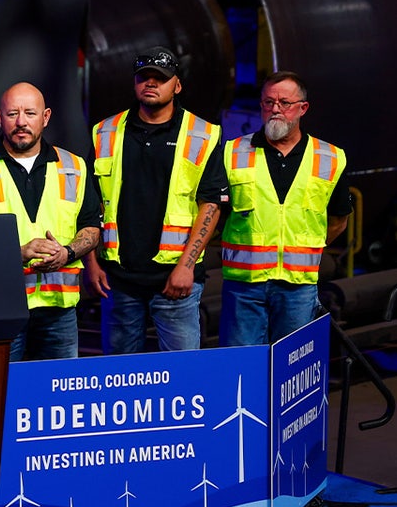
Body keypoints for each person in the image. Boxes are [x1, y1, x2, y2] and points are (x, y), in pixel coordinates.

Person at [83, 46, 226, 354]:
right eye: (143, 77)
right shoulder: (104, 132)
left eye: (159, 78)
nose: (150, 83)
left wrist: (186, 267)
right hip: (117, 280)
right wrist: (91, 263)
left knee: (183, 377)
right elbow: (89, 205)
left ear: (176, 85)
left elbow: (211, 205)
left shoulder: (202, 134)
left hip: (175, 280)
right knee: (119, 379)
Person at [0, 82, 102, 360]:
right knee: (2, 397)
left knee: (58, 395)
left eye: (30, 113)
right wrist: (17, 254)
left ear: (45, 117)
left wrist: (67, 253)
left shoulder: (74, 166)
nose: (21, 122)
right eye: (12, 114)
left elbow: (91, 228)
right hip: (1, 311)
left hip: (60, 311)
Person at [220, 71, 351, 345]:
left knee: (291, 372)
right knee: (242, 371)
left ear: (303, 108)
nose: (275, 109)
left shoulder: (329, 157)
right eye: (268, 103)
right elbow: (215, 214)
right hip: (244, 285)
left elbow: (339, 221)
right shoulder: (232, 152)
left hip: (297, 287)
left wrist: (301, 246)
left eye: (284, 103)